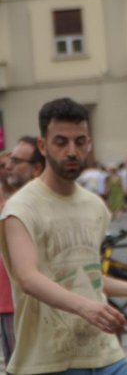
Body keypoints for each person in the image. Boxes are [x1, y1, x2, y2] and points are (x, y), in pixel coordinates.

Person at [0, 98, 127, 375]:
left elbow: (86, 274)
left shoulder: (95, 206)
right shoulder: (20, 208)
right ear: (43, 146)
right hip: (48, 362)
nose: (72, 151)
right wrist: (87, 308)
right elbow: (28, 278)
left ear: (89, 143)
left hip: (105, 354)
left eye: (80, 142)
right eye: (61, 142)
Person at [0, 137, 43, 367]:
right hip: (9, 301)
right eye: (5, 163)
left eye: (15, 162)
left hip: (44, 303)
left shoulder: (39, 203)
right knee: (19, 365)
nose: (7, 167)